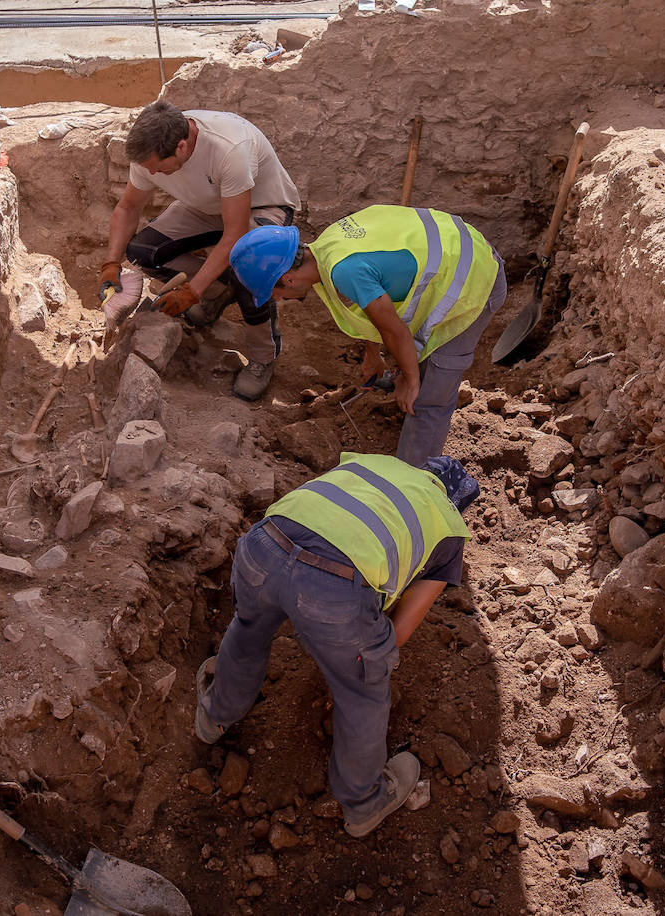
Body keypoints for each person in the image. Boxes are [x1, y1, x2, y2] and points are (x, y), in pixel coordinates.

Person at [195, 453, 479, 838]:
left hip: (262, 546)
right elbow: (398, 633)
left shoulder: (373, 464)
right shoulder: (448, 529)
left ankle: (214, 716)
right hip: (332, 587)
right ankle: (364, 803)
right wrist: (354, 651)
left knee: (248, 627)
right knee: (363, 692)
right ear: (456, 503)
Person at [229, 205, 508, 464]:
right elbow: (374, 306)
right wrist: (373, 355)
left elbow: (394, 330)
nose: (277, 299)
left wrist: (409, 380)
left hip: (473, 277)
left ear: (288, 278)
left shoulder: (344, 271)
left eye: (273, 292)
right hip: (461, 246)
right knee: (415, 365)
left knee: (428, 396)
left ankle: (412, 483)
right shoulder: (328, 246)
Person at [100, 101, 302, 401]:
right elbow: (129, 207)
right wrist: (111, 263)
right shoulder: (149, 154)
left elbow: (235, 234)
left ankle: (263, 357)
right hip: (208, 207)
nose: (152, 172)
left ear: (182, 147)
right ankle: (217, 293)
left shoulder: (229, 150)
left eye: (157, 167)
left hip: (263, 205)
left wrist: (190, 290)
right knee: (144, 251)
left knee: (248, 270)